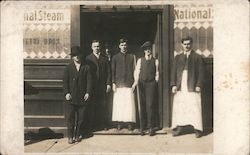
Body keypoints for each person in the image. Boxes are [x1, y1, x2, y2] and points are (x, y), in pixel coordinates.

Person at [170, 36, 204, 138]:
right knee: (180, 107)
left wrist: (198, 85)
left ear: (191, 44)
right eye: (185, 44)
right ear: (182, 45)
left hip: (192, 85)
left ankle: (197, 129)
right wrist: (173, 84)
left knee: (194, 107)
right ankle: (179, 128)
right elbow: (173, 72)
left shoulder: (197, 57)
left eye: (188, 44)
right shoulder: (178, 57)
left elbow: (201, 73)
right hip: (181, 85)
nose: (187, 46)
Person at [63, 46, 92, 144]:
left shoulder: (86, 67)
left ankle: (78, 134)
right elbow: (65, 82)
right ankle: (70, 136)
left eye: (78, 55)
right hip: (71, 97)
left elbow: (89, 81)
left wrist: (88, 92)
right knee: (70, 117)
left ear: (81, 55)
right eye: (74, 56)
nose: (77, 57)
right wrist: (67, 93)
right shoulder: (68, 68)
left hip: (82, 97)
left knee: (81, 118)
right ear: (72, 57)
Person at [133, 41, 159, 136]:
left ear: (151, 50)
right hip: (142, 84)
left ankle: (150, 127)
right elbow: (137, 72)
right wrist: (136, 82)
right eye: (146, 49)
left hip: (151, 85)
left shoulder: (155, 61)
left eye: (149, 49)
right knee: (142, 105)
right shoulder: (140, 60)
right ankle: (142, 127)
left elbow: (157, 73)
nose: (148, 51)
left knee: (150, 105)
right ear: (144, 51)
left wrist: (155, 81)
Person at [86, 40, 111, 131]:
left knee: (103, 105)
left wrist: (108, 83)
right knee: (93, 106)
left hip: (102, 86)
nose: (97, 48)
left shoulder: (104, 58)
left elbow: (109, 72)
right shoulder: (88, 59)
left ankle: (103, 124)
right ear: (91, 47)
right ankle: (93, 125)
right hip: (92, 86)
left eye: (98, 46)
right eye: (95, 46)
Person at [111, 38, 136, 130]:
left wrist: (134, 83)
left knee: (128, 104)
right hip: (119, 84)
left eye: (125, 45)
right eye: (122, 45)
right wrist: (113, 83)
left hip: (129, 84)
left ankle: (129, 123)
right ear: (119, 46)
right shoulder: (115, 57)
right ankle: (119, 123)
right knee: (119, 104)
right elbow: (112, 71)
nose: (123, 47)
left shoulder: (131, 56)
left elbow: (135, 70)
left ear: (127, 46)